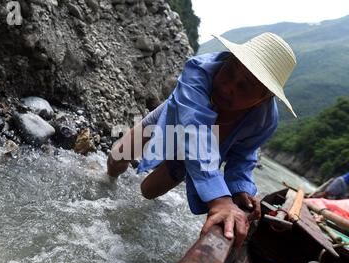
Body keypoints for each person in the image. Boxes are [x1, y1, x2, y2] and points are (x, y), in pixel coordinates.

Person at [107, 33, 297, 246]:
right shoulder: (198, 71)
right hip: (174, 118)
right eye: (230, 71)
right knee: (118, 156)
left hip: (206, 150)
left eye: (244, 86)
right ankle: (107, 183)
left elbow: (243, 156)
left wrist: (240, 189)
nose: (227, 87)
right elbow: (193, 129)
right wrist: (220, 199)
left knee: (147, 191)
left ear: (264, 97)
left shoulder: (264, 121)